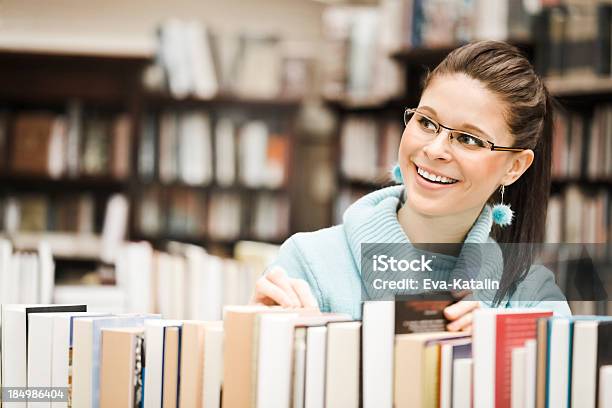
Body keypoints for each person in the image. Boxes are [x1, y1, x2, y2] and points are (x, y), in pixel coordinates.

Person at [251, 40, 571, 330]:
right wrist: (258, 340)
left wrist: (497, 350)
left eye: (468, 139)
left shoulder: (532, 298)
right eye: (427, 122)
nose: (434, 150)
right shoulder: (309, 263)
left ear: (514, 167)